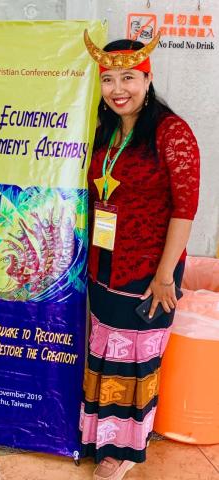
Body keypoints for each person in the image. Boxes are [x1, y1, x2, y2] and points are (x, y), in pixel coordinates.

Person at [80, 31, 200, 479]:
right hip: (104, 265)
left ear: (147, 79)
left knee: (136, 360)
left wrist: (166, 275)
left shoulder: (173, 132)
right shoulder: (106, 129)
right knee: (105, 353)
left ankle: (126, 450)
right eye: (108, 79)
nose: (118, 89)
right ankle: (99, 435)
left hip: (151, 270)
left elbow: (185, 209)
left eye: (128, 78)